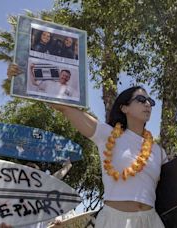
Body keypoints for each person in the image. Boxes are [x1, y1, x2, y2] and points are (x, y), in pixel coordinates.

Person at [9, 68, 168, 227]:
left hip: (150, 222)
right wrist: (22, 79)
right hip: (114, 221)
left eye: (150, 101)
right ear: (124, 108)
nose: (148, 104)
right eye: (141, 99)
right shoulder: (108, 135)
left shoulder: (159, 152)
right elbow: (66, 108)